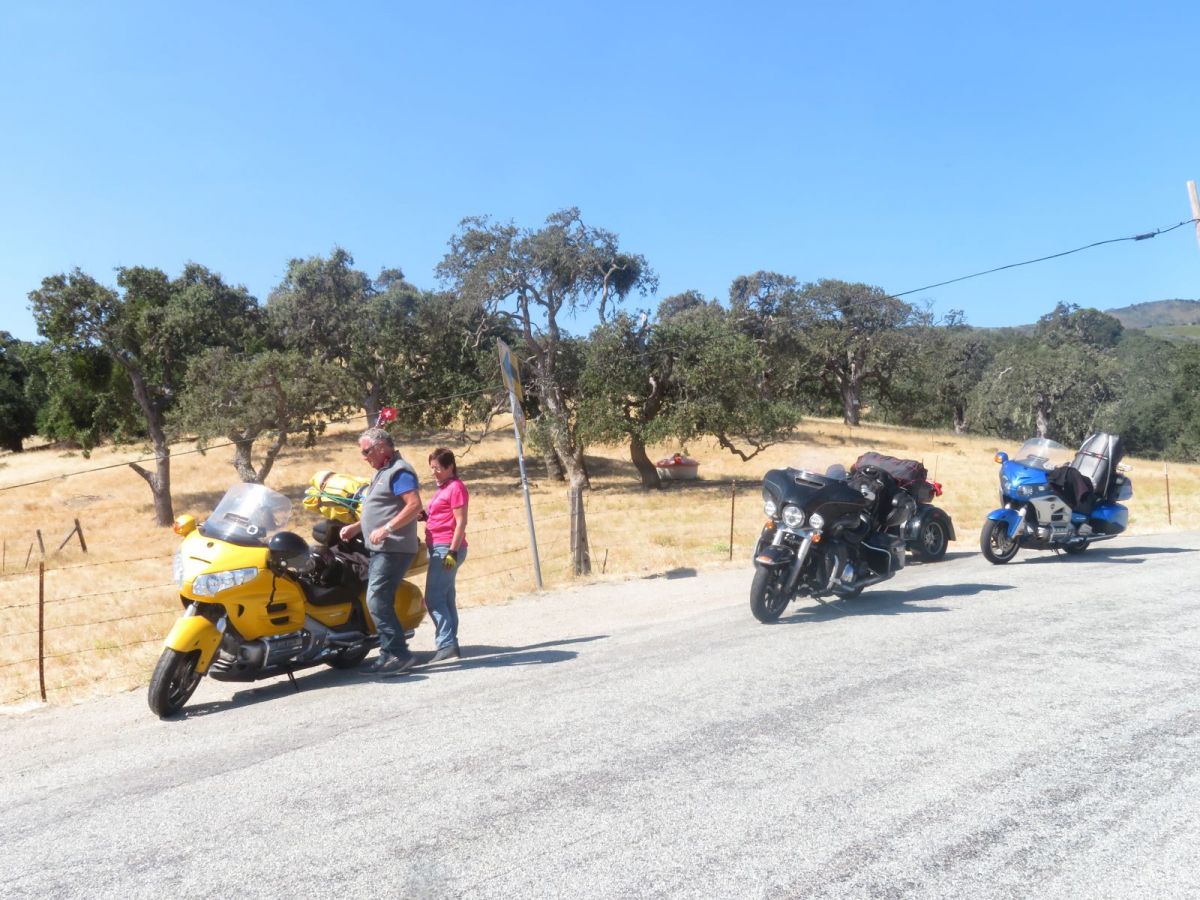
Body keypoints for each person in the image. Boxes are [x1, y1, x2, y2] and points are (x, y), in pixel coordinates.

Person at [340, 427, 422, 676]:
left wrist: (387, 529)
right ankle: (388, 653)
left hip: (393, 547)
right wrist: (357, 527)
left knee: (376, 599)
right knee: (379, 599)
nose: (364, 457)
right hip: (383, 547)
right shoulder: (383, 472)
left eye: (366, 451)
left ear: (381, 447)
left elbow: (414, 505)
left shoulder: (400, 471)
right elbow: (382, 508)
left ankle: (399, 654)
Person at [423, 447, 469, 663]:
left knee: (433, 598)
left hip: (446, 548)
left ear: (450, 467)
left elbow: (461, 522)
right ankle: (451, 643)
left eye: (438, 468)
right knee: (446, 597)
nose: (434, 472)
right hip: (439, 546)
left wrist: (452, 551)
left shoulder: (456, 488)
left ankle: (446, 643)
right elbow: (439, 515)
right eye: (432, 468)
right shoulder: (443, 488)